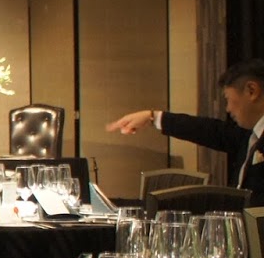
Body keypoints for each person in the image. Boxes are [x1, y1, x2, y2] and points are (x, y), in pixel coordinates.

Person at [106, 58, 264, 205]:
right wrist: (152, 117)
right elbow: (208, 130)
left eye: (228, 99)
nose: (228, 109)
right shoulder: (250, 135)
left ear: (252, 91)